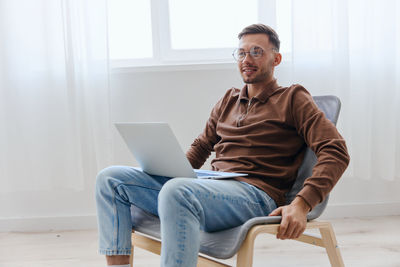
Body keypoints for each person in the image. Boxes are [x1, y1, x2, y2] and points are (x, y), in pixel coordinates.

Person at [95, 24, 350, 267]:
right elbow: (202, 146)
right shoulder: (228, 100)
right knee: (110, 179)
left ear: (276, 59)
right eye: (241, 52)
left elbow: (336, 151)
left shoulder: (293, 98)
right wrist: (174, 170)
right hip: (212, 188)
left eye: (256, 52)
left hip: (256, 194)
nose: (246, 59)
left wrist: (302, 204)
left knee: (177, 191)